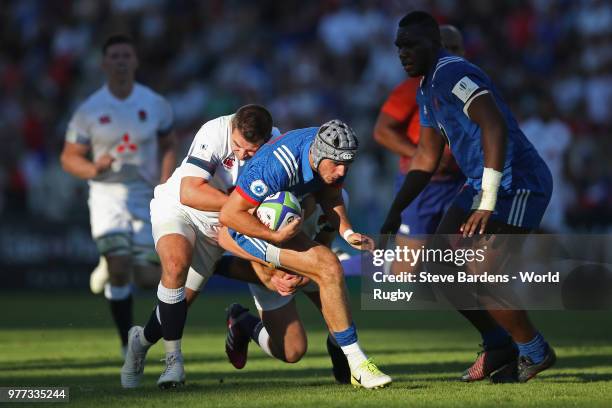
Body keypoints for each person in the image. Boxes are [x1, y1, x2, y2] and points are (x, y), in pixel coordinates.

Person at [380, 11, 556, 383]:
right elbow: (426, 156)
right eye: (399, 46)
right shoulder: (427, 86)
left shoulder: (451, 73)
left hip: (515, 183)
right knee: (434, 266)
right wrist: (396, 209)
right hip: (479, 184)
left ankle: (534, 351)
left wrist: (487, 200)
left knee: (483, 273)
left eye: (410, 45)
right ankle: (498, 344)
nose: (403, 53)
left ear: (434, 43)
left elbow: (492, 123)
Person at [217, 120, 392, 389]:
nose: (342, 170)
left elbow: (333, 198)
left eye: (347, 164)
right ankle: (358, 365)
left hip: (291, 230)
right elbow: (230, 216)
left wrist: (347, 233)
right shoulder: (278, 165)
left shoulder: (331, 154)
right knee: (329, 266)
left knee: (293, 350)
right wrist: (273, 251)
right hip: (251, 232)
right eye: (336, 164)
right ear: (317, 155)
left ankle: (243, 322)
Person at [119, 105, 276, 388]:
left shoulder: (276, 143)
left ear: (265, 140)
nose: (242, 155)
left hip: (218, 225)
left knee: (177, 303)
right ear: (233, 128)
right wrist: (242, 206)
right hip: (180, 209)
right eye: (238, 146)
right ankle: (174, 362)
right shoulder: (215, 131)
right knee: (176, 265)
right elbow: (189, 191)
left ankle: (139, 342)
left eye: (251, 151)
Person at [61, 34, 176, 356]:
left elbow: (169, 145)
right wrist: (93, 168)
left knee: (146, 277)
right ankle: (128, 344)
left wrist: (165, 180)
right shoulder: (89, 110)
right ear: (104, 63)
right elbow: (68, 157)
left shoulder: (155, 104)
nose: (121, 60)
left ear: (135, 61)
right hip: (106, 193)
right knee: (120, 266)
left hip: (144, 193)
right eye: (115, 56)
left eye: (127, 55)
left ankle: (109, 260)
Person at [220, 190, 352, 385]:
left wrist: (304, 275)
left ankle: (345, 364)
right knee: (292, 351)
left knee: (342, 316)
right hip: (270, 271)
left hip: (309, 266)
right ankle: (243, 322)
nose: (338, 173)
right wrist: (270, 275)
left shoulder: (334, 199)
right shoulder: (258, 198)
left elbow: (324, 244)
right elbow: (228, 237)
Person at [373, 25, 466, 276]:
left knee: (462, 261)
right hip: (422, 184)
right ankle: (358, 265)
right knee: (407, 270)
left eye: (456, 48)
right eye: (446, 48)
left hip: (460, 183)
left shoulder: (470, 87)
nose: (452, 53)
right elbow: (382, 131)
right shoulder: (412, 87)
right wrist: (421, 155)